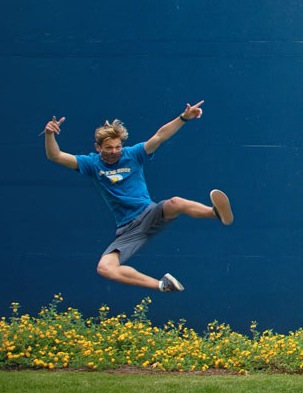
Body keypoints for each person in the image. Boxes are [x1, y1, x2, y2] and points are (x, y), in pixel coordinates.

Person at [42, 101, 233, 293]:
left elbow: (160, 136)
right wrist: (49, 134)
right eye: (108, 148)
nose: (114, 152)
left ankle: (215, 213)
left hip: (150, 213)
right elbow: (55, 156)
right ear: (97, 147)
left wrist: (184, 118)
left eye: (117, 147)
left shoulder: (133, 154)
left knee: (175, 202)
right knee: (105, 268)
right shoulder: (91, 164)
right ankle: (162, 285)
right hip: (128, 230)